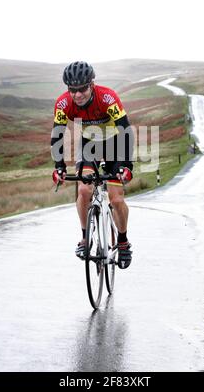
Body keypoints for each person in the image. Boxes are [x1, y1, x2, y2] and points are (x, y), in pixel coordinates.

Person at [51, 61, 134, 269]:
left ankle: (122, 242)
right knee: (84, 189)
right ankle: (85, 238)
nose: (77, 95)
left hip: (116, 143)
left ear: (92, 84)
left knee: (116, 199)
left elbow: (126, 131)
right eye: (72, 90)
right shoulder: (63, 104)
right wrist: (59, 167)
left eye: (82, 89)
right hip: (90, 145)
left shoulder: (108, 98)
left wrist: (126, 165)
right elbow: (57, 135)